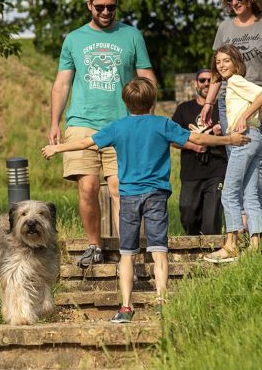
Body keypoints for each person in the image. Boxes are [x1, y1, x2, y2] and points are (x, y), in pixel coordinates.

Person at [42, 77, 250, 322]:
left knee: (127, 253)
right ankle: (161, 299)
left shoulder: (117, 127)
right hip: (155, 195)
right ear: (152, 101)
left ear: (125, 102)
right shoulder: (162, 124)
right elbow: (198, 139)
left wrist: (58, 148)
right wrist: (229, 140)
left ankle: (126, 307)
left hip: (129, 196)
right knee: (159, 251)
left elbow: (87, 142)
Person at [48, 0, 157, 268]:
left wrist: (146, 117)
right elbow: (61, 84)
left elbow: (146, 77)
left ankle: (128, 251)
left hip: (122, 123)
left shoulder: (131, 36)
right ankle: (94, 245)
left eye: (111, 7)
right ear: (89, 5)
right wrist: (54, 122)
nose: (106, 12)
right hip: (81, 122)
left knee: (120, 188)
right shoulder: (73, 39)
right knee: (88, 187)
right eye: (100, 7)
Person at [200, 0, 262, 218]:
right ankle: (240, 225)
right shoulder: (225, 27)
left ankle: (259, 224)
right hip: (231, 103)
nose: (234, 3)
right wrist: (208, 103)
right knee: (236, 159)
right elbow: (217, 67)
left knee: (260, 160)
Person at [205, 45, 262, 263]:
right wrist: (253, 121)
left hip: (244, 140)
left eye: (226, 61)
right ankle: (256, 245)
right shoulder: (232, 83)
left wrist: (244, 117)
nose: (221, 65)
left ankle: (231, 245)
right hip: (256, 138)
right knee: (250, 195)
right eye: (218, 62)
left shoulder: (234, 81)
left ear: (235, 62)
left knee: (229, 193)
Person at [171, 69, 227, 235]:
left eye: (210, 80)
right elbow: (172, 138)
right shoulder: (184, 109)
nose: (206, 84)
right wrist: (193, 146)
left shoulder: (223, 108)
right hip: (191, 172)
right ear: (196, 84)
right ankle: (194, 246)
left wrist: (222, 132)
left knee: (211, 220)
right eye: (202, 80)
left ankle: (212, 251)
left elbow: (237, 135)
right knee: (188, 215)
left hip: (217, 169)